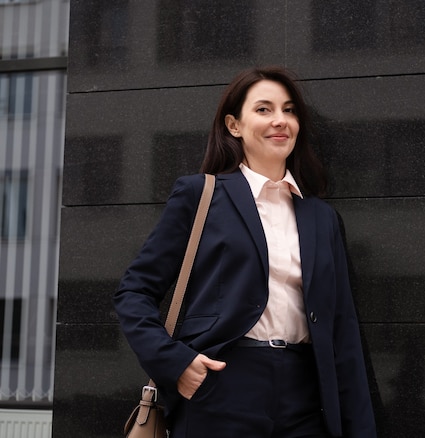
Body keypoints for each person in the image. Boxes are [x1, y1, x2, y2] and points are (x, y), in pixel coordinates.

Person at [114, 66, 377, 438]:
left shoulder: (322, 218)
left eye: (289, 110)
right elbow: (134, 291)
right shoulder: (199, 195)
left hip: (306, 398)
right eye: (264, 110)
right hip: (221, 388)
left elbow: (343, 331)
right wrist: (177, 363)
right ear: (234, 125)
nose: (280, 121)